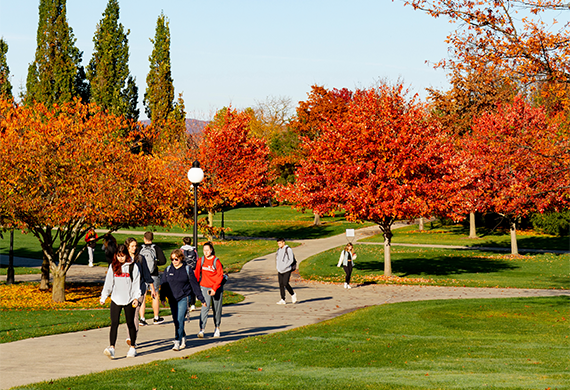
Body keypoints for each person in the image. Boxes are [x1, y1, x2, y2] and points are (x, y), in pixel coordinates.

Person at [100, 244, 141, 359]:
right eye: (119, 256)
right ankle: (112, 347)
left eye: (123, 256)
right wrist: (104, 297)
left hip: (129, 299)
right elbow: (109, 283)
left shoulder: (133, 267)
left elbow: (136, 285)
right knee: (114, 323)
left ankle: (132, 347)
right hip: (116, 299)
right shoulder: (113, 267)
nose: (121, 258)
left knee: (130, 323)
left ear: (127, 255)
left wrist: (136, 298)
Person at [160, 249, 205, 351]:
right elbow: (163, 285)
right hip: (172, 298)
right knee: (176, 321)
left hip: (184, 298)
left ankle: (177, 341)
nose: (174, 261)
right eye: (172, 259)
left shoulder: (187, 269)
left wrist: (201, 298)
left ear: (180, 258)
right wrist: (162, 297)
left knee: (180, 319)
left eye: (176, 259)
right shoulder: (168, 270)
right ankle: (183, 336)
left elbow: (194, 285)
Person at [125, 237, 155, 339]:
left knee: (135, 314)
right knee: (129, 315)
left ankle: (131, 338)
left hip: (139, 290)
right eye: (132, 246)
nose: (134, 248)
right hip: (127, 290)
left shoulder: (141, 259)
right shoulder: (123, 259)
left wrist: (153, 289)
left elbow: (147, 275)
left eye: (135, 246)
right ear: (127, 247)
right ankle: (131, 336)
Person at [195, 241, 225, 338]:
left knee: (217, 309)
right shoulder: (201, 260)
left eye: (208, 250)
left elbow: (220, 276)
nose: (206, 252)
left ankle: (217, 328)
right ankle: (201, 329)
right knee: (205, 308)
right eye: (204, 250)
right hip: (204, 287)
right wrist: (195, 288)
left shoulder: (216, 261)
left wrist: (215, 288)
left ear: (211, 250)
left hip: (216, 288)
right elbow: (196, 274)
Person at [138, 232, 167, 325]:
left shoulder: (140, 248)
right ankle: (156, 317)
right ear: (152, 238)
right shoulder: (156, 248)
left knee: (143, 295)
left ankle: (142, 318)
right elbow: (163, 261)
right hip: (153, 274)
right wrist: (155, 264)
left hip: (142, 274)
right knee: (155, 295)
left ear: (144, 238)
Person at [275, 238, 297, 305]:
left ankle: (293, 294)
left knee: (285, 283)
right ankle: (283, 299)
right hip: (280, 270)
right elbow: (277, 259)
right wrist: (278, 267)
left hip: (287, 270)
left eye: (280, 243)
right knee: (281, 284)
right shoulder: (279, 250)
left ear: (283, 242)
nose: (279, 245)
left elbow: (291, 260)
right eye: (278, 243)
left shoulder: (288, 249)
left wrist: (285, 266)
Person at [180, 236, 198, 313]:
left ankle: (186, 303)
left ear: (183, 242)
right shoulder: (194, 250)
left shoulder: (181, 250)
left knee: (185, 288)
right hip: (192, 271)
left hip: (184, 271)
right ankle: (193, 304)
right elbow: (197, 259)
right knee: (192, 287)